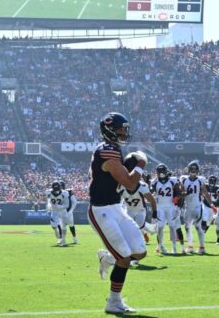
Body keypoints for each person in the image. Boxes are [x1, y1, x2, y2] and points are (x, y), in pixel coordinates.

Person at [88, 112, 147, 314]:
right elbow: (130, 184)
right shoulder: (107, 151)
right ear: (110, 130)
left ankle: (108, 258)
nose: (124, 132)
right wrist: (140, 165)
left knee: (139, 252)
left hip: (117, 207)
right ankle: (113, 302)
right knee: (124, 258)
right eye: (121, 128)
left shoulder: (112, 150)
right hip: (101, 211)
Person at [179, 161, 212, 254]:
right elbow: (181, 193)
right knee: (187, 227)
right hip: (188, 207)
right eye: (191, 169)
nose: (193, 171)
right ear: (189, 170)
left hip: (197, 206)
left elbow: (205, 193)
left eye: (195, 169)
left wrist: (211, 204)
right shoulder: (183, 179)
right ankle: (190, 246)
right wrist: (184, 194)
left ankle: (202, 247)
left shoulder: (200, 180)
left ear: (197, 170)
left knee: (198, 227)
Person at [121, 168, 157, 248]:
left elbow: (152, 200)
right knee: (130, 228)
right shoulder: (122, 187)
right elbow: (117, 201)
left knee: (139, 225)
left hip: (140, 210)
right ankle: (140, 238)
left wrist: (154, 213)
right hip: (129, 210)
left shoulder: (142, 187)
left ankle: (147, 232)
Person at [46, 181, 70, 246]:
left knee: (64, 226)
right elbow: (48, 199)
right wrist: (48, 205)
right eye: (55, 190)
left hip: (62, 211)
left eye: (57, 190)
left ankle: (63, 239)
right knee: (54, 226)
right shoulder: (48, 192)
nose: (56, 191)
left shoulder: (64, 193)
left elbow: (67, 205)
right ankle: (59, 238)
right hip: (54, 211)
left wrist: (60, 206)